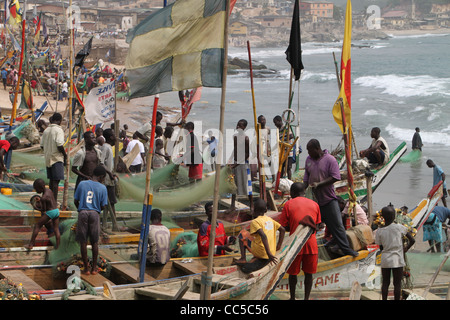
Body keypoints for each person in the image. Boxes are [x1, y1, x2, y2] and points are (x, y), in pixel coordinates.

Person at [303, 139, 358, 257]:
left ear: (317, 149)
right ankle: (308, 251)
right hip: (314, 202)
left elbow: (335, 177)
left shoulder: (330, 160)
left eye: (309, 150)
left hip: (328, 200)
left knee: (337, 225)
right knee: (310, 227)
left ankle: (346, 248)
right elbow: (306, 180)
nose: (308, 153)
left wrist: (319, 184)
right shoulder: (308, 160)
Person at [279, 182, 321, 300]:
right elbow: (317, 226)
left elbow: (284, 226)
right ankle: (306, 298)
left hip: (295, 244)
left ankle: (292, 298)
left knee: (293, 274)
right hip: (311, 244)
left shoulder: (288, 204)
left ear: (292, 193)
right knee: (309, 275)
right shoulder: (315, 204)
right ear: (304, 192)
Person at [74, 166, 109, 275]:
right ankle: (94, 268)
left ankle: (86, 268)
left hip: (83, 212)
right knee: (94, 242)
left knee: (83, 242)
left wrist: (81, 210)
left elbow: (76, 201)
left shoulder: (82, 184)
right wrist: (96, 210)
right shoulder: (103, 188)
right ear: (101, 177)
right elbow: (103, 205)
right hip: (95, 213)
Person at [375, 206, 415, 300]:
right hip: (397, 258)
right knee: (397, 284)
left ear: (383, 217)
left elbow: (380, 247)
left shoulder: (379, 231)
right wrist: (406, 248)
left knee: (385, 282)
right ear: (394, 216)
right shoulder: (399, 227)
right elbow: (412, 240)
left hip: (385, 258)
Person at [235, 198, 285, 273]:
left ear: (254, 210)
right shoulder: (270, 220)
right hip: (271, 251)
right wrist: (278, 246)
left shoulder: (255, 221)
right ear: (265, 211)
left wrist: (269, 254)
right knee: (256, 238)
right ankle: (261, 256)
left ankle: (243, 258)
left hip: (263, 253)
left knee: (242, 233)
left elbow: (263, 235)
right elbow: (283, 230)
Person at [25, 179, 61, 250]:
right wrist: (40, 199)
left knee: (37, 226)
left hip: (50, 212)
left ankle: (31, 244)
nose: (36, 191)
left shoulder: (44, 197)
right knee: (56, 229)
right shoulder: (49, 191)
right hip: (56, 211)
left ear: (40, 188)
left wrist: (36, 207)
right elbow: (49, 200)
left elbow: (44, 209)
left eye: (36, 189)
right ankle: (58, 246)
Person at [41, 113, 67, 202]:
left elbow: (42, 146)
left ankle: (49, 199)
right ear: (59, 121)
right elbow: (60, 144)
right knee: (56, 182)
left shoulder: (46, 130)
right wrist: (65, 155)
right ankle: (54, 201)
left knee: (52, 181)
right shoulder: (58, 130)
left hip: (48, 158)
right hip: (56, 158)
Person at [229, 119, 253, 212]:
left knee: (247, 184)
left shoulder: (246, 138)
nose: (238, 127)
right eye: (237, 125)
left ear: (244, 128)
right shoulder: (235, 137)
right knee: (233, 184)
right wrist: (231, 159)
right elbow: (235, 149)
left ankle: (251, 205)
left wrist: (236, 164)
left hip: (243, 164)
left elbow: (247, 154)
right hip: (236, 162)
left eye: (240, 126)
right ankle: (232, 205)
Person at [100, 129, 118, 217]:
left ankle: (106, 221)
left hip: (109, 179)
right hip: (106, 180)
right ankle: (113, 223)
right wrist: (109, 173)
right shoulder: (105, 147)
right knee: (111, 202)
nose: (116, 138)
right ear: (111, 137)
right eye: (114, 135)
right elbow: (101, 163)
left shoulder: (109, 147)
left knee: (110, 202)